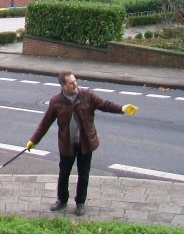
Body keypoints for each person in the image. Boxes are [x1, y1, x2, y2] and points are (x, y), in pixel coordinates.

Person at [26, 71, 137, 216]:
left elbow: (104, 104)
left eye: (75, 81)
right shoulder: (56, 101)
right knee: (64, 173)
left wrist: (122, 108)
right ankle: (62, 200)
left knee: (84, 175)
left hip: (85, 143)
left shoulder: (87, 95)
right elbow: (45, 123)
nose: (75, 85)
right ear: (63, 85)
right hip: (67, 145)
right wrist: (33, 140)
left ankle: (80, 203)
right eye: (71, 83)